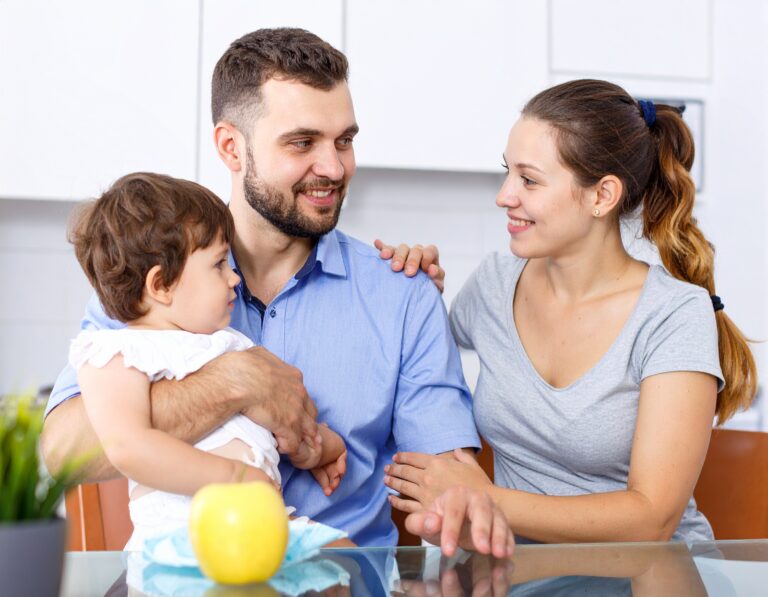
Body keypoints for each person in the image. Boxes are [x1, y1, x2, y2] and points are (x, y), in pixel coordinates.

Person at [41, 27, 490, 548]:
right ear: (232, 147)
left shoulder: (403, 294)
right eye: (302, 142)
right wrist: (237, 381)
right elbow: (64, 451)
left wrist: (464, 506)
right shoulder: (148, 281)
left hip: (342, 577)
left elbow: (449, 481)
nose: (334, 167)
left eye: (344, 140)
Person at [384, 79, 757, 543]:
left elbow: (652, 519)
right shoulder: (496, 283)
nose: (504, 195)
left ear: (602, 195)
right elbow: (413, 353)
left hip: (650, 579)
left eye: (529, 179)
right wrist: (415, 287)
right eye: (507, 172)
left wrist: (482, 497)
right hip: (522, 575)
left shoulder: (674, 315)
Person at [68, 172, 347, 549]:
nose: (234, 278)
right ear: (161, 285)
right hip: (181, 537)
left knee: (344, 559)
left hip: (259, 525)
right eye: (218, 265)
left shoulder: (227, 343)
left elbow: (289, 411)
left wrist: (320, 445)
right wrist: (233, 477)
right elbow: (127, 447)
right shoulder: (116, 352)